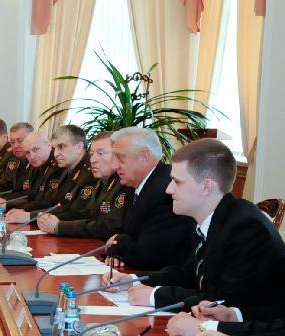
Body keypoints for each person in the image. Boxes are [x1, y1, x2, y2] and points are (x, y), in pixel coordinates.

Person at [112, 139, 284, 310]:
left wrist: (154, 296)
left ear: (206, 186)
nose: (168, 189)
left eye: (177, 182)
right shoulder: (207, 219)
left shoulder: (247, 228)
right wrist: (135, 279)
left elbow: (223, 302)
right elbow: (187, 274)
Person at [104, 127, 192, 270]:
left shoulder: (165, 191)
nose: (115, 166)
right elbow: (125, 231)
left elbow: (146, 255)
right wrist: (117, 250)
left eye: (120, 158)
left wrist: (117, 242)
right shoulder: (134, 184)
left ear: (144, 157)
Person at [37, 131, 126, 238]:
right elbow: (84, 213)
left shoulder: (124, 183)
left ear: (118, 155)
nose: (93, 160)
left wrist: (59, 226)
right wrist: (49, 219)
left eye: (101, 153)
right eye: (92, 154)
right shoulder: (103, 179)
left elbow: (110, 227)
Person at [4, 125, 92, 223]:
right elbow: (54, 203)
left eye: (61, 147)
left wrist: (29, 216)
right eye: (55, 148)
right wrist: (25, 212)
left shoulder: (91, 172)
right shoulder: (68, 169)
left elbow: (75, 213)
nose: (56, 154)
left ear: (79, 146)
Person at [0, 131, 57, 210]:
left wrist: (7, 205)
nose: (32, 156)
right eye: (27, 153)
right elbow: (29, 195)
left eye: (35, 149)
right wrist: (4, 202)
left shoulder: (57, 166)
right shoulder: (34, 164)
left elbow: (48, 203)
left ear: (49, 146)